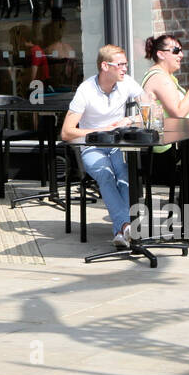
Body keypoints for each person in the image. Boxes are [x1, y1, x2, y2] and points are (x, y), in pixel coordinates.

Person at [60, 46, 146, 248]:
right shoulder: (86, 90)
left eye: (126, 64)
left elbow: (150, 107)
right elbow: (67, 132)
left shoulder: (126, 83)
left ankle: (121, 230)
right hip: (92, 146)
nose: (125, 68)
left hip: (117, 144)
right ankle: (126, 224)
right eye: (121, 64)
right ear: (105, 66)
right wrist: (102, 130)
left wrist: (132, 120)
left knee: (125, 174)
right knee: (106, 174)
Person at [141, 33, 189, 122]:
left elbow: (188, 111)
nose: (181, 55)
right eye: (176, 51)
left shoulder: (166, 76)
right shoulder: (160, 78)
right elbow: (178, 114)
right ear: (161, 54)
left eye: (181, 50)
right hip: (170, 133)